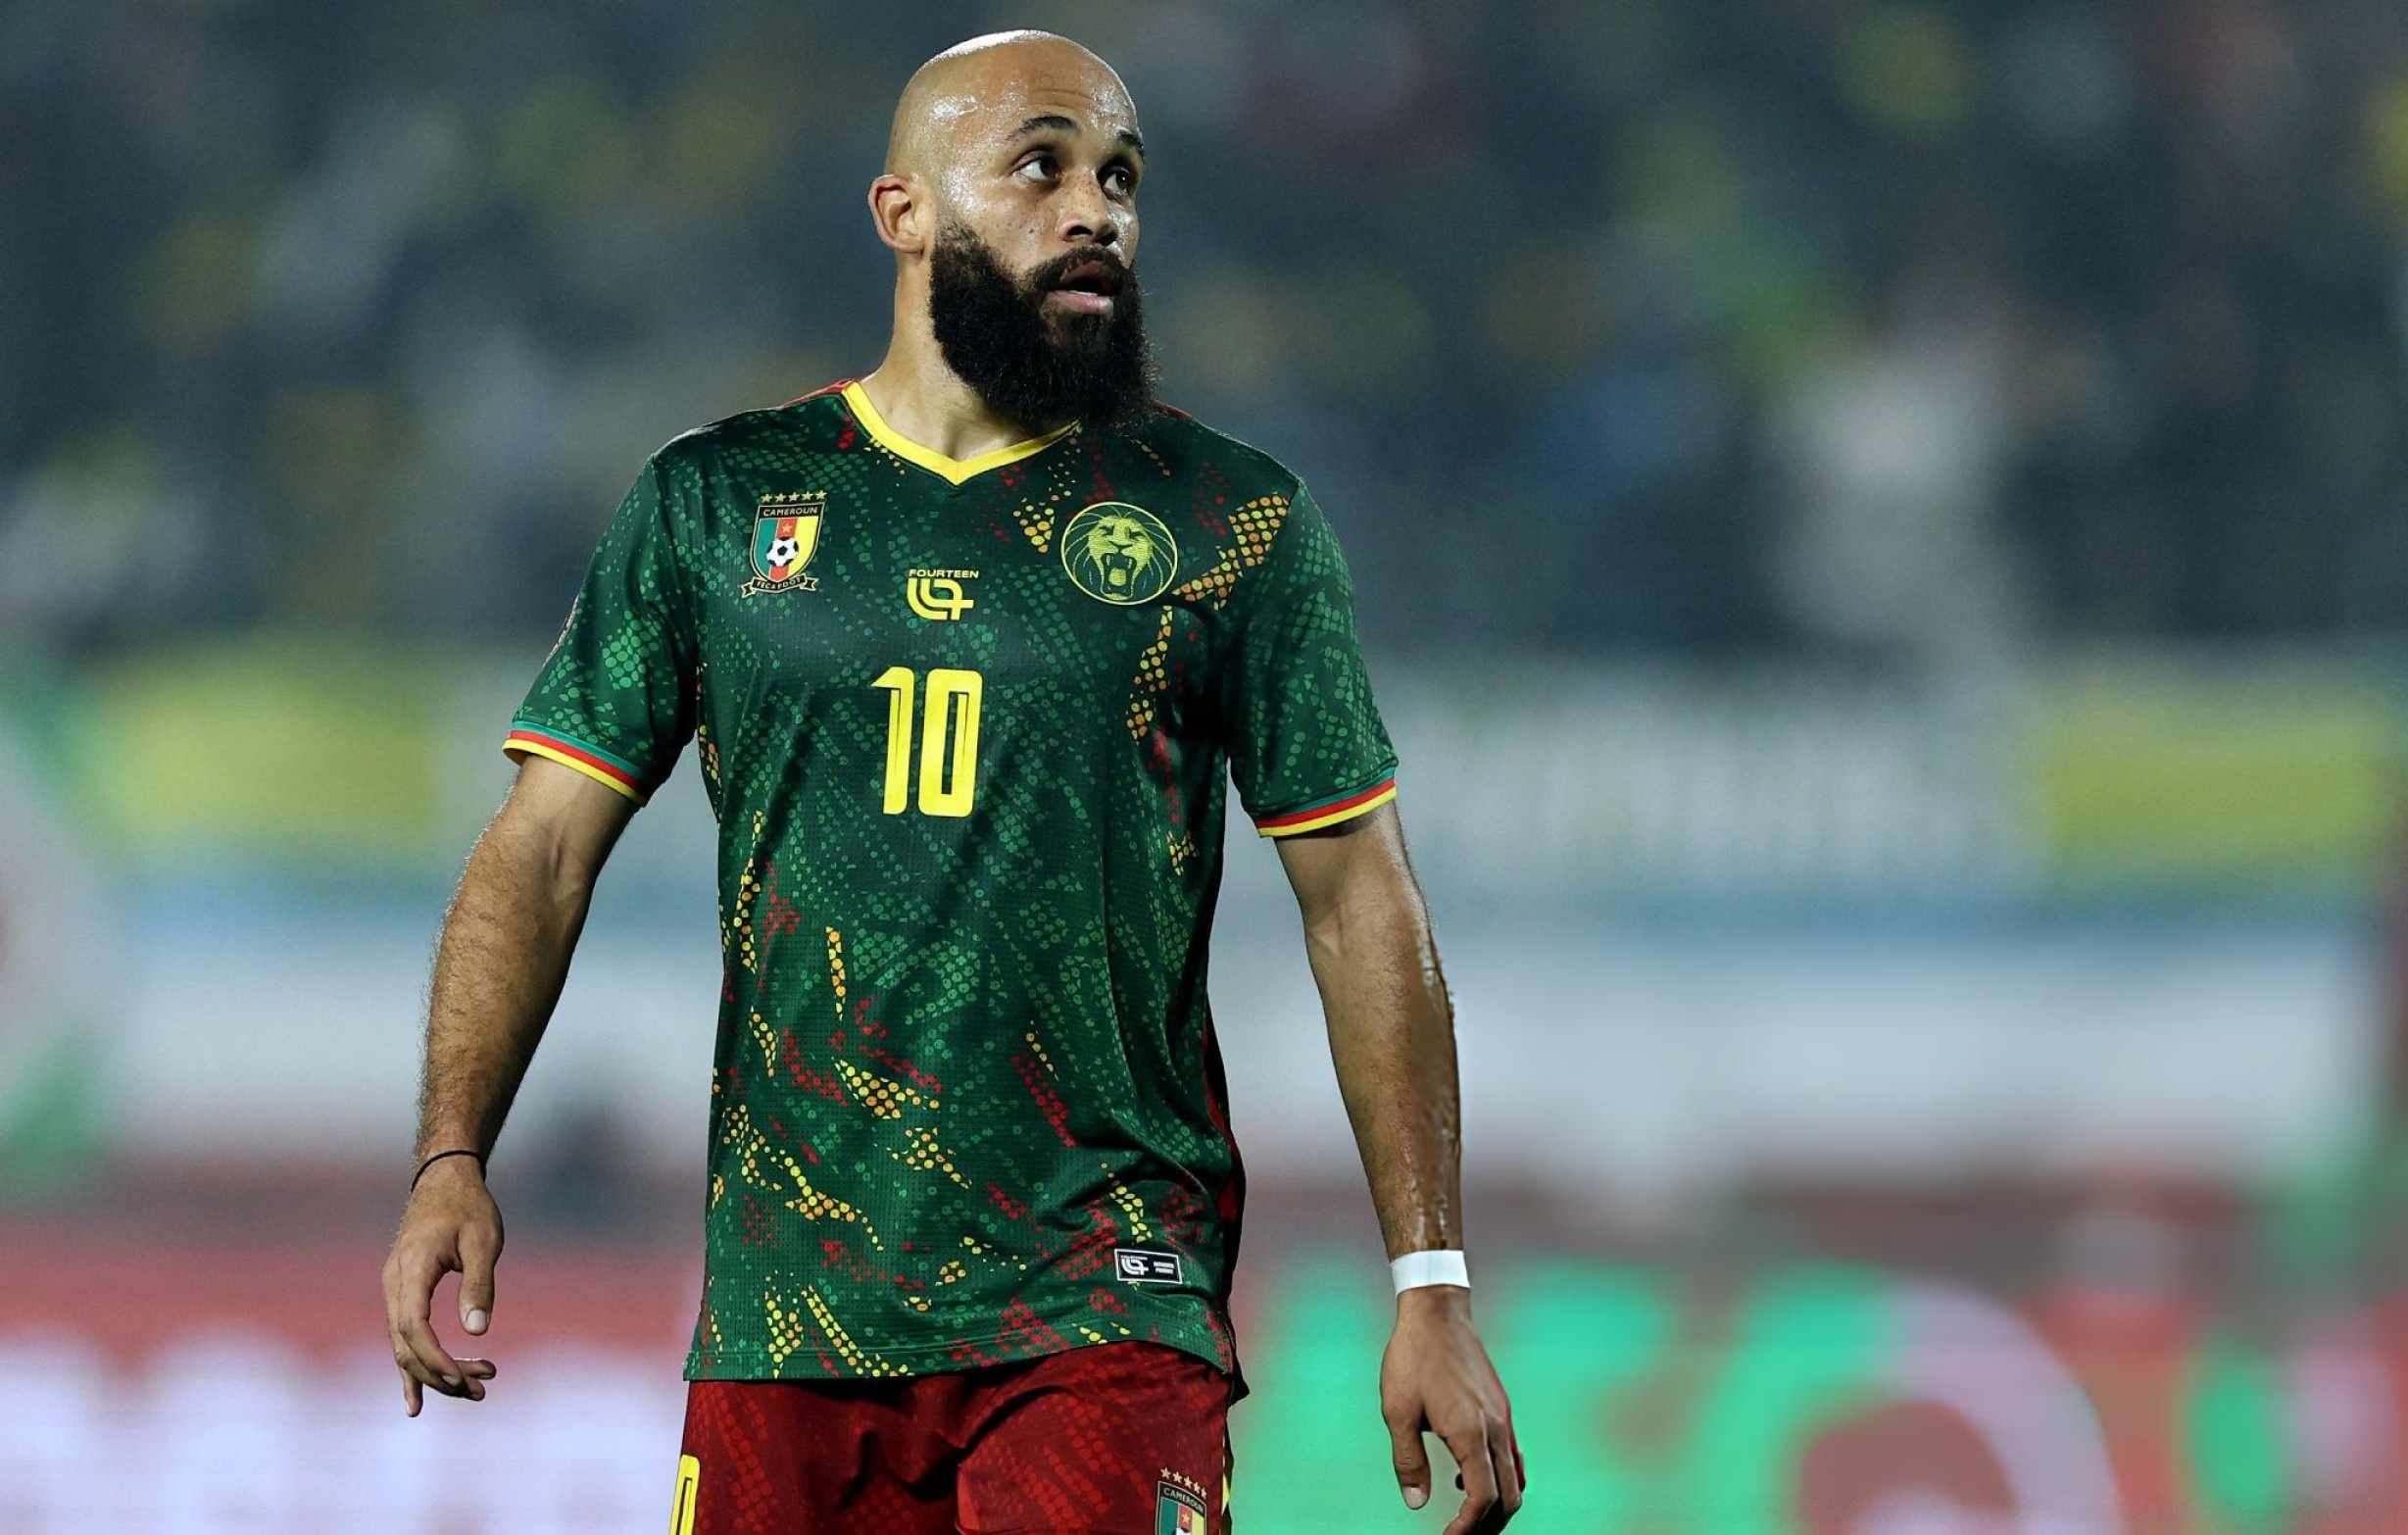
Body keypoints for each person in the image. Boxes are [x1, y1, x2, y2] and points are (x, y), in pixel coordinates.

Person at [379, 28, 1521, 1535]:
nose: (1095, 209)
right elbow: (540, 850)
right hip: (787, 1314)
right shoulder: (717, 501)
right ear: (902, 211)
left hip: (1101, 1300)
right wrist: (451, 1153)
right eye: (1040, 165)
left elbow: (1358, 896)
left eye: (1120, 177)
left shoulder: (1230, 520)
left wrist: (1429, 1281)